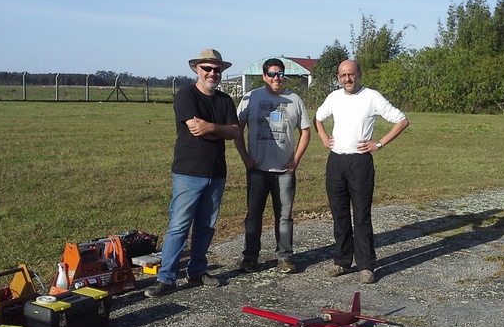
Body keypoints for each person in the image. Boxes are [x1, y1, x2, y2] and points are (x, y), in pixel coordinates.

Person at [144, 49, 240, 297]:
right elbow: (195, 128)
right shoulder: (186, 95)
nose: (212, 73)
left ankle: (197, 272)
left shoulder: (225, 101)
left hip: (216, 173)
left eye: (216, 69)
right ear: (197, 70)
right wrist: (219, 129)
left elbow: (235, 132)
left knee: (206, 227)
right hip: (188, 172)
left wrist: (211, 126)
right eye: (206, 68)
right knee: (178, 226)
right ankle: (166, 278)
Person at [313, 59, 408, 284]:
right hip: (336, 161)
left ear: (359, 74)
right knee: (339, 214)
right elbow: (318, 118)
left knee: (362, 215)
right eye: (343, 75)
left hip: (361, 162)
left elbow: (402, 121)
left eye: (351, 74)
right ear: (338, 77)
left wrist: (379, 143)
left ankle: (366, 266)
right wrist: (325, 138)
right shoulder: (333, 98)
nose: (347, 79)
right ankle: (342, 262)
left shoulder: (371, 97)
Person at [234, 58, 311, 274]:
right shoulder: (251, 97)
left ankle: (285, 257)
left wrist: (295, 159)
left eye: (280, 73)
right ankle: (250, 258)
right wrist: (245, 158)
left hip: (284, 171)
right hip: (257, 169)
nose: (276, 78)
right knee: (253, 215)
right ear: (264, 76)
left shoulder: (294, 99)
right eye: (271, 74)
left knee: (284, 216)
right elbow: (236, 129)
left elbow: (306, 131)